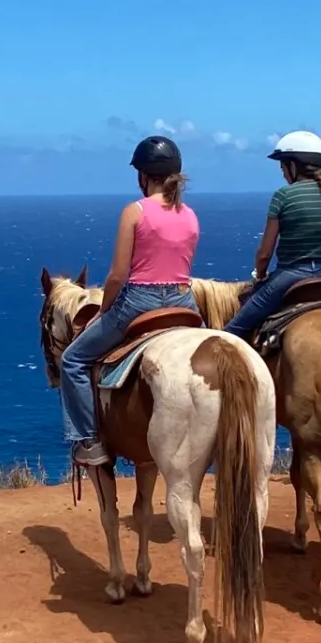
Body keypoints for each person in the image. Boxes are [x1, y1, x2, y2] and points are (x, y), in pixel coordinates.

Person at [58, 136, 199, 469]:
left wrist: (104, 311)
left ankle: (88, 440)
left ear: (143, 176)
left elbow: (118, 276)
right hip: (184, 301)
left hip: (139, 300)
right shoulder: (190, 214)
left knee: (73, 361)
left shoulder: (134, 212)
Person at [224, 131, 321, 340]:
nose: (282, 172)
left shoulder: (283, 195)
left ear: (293, 166)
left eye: (283, 166)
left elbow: (265, 253)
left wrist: (260, 276)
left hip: (292, 276)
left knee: (232, 332)